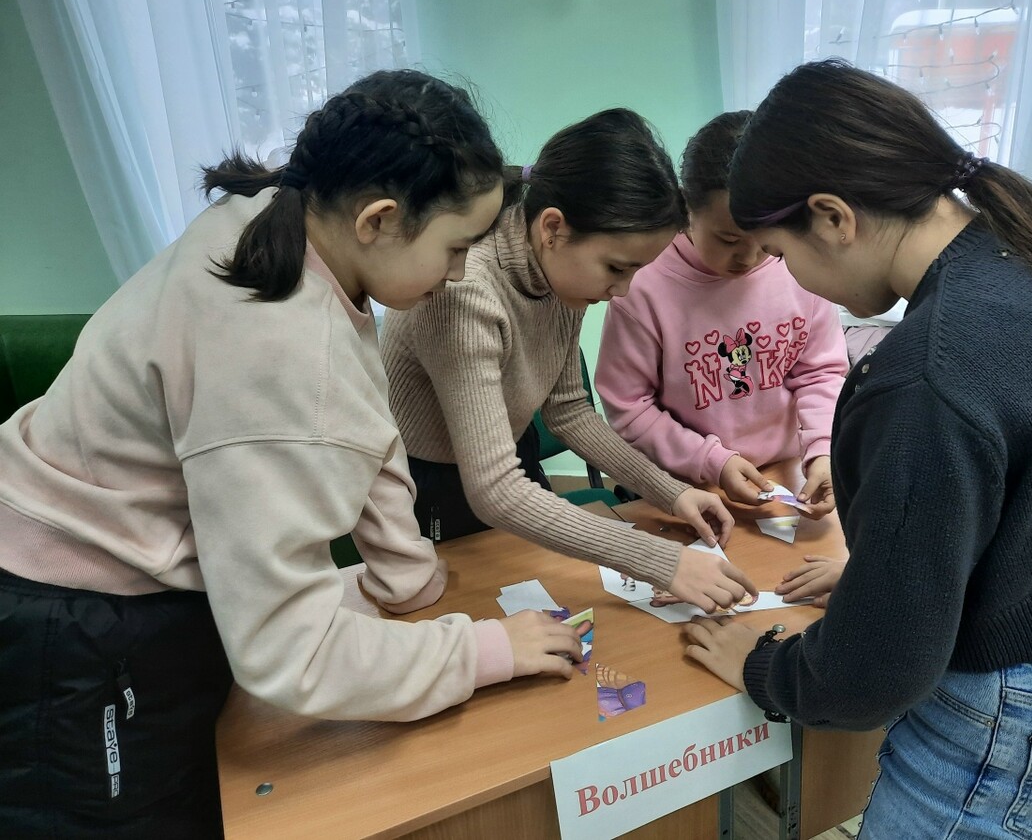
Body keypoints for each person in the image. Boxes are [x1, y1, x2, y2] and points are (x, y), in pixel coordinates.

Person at [0, 70, 584, 837]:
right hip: (74, 618)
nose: (456, 275)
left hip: (135, 579)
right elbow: (289, 651)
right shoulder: (278, 350)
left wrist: (407, 575)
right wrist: (482, 651)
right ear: (378, 220)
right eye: (454, 248)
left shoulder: (287, 213)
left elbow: (364, 415)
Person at [682, 59, 1032, 838]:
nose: (793, 278)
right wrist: (892, 576)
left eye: (781, 252)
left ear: (833, 217)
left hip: (1010, 722)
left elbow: (871, 675)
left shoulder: (925, 374)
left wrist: (762, 665)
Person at [381, 109, 755, 613]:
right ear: (553, 228)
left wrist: (670, 492)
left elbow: (569, 410)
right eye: (616, 268)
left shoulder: (556, 273)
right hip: (429, 483)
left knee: (549, 612)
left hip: (509, 460)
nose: (622, 290)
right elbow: (494, 490)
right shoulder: (466, 292)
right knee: (472, 615)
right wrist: (663, 561)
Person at [595, 110, 847, 524]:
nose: (749, 257)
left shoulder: (801, 266)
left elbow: (821, 373)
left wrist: (823, 449)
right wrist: (712, 461)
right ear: (686, 209)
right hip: (688, 488)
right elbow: (629, 408)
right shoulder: (643, 285)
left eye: (764, 239)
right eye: (728, 239)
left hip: (785, 474)